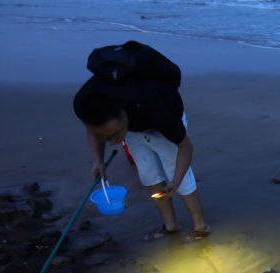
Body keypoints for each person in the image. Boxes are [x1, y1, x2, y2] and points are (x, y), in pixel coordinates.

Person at [73, 46, 210, 242]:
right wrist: (98, 160)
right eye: (107, 137)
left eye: (115, 134)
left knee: (177, 174)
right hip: (134, 128)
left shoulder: (157, 110)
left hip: (158, 125)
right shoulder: (84, 102)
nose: (114, 142)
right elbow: (93, 127)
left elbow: (185, 147)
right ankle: (171, 225)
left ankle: (201, 227)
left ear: (124, 113)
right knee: (148, 175)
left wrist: (175, 182)